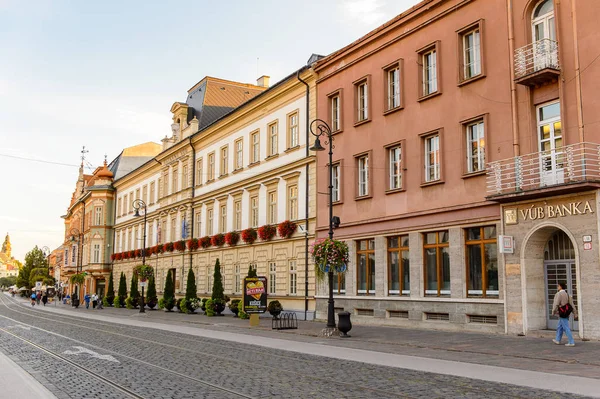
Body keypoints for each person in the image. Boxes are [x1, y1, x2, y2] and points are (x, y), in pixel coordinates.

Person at [552, 281, 577, 347]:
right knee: (559, 326)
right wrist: (575, 313)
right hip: (566, 312)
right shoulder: (567, 294)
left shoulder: (559, 294)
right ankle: (557, 339)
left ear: (560, 286)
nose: (557, 287)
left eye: (558, 286)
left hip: (562, 312)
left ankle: (571, 342)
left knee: (566, 327)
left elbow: (556, 304)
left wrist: (553, 311)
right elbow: (572, 304)